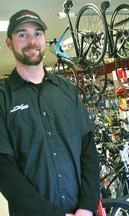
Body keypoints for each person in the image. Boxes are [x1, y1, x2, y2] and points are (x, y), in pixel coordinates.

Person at [0, 9, 100, 216]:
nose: (31, 41)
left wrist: (87, 207)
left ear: (45, 39)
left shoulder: (67, 90)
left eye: (37, 33)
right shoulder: (3, 98)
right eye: (22, 34)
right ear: (9, 42)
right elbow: (4, 171)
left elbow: (88, 149)